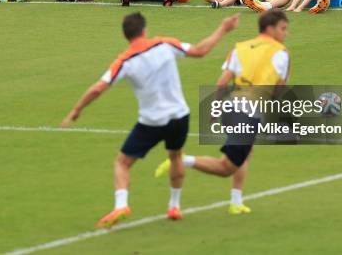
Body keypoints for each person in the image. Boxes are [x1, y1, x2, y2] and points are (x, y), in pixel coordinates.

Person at [61, 12, 241, 228]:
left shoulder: (124, 60)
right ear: (144, 30)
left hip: (152, 122)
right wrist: (223, 28)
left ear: (125, 35)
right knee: (175, 156)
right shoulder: (164, 44)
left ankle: (121, 205)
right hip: (179, 116)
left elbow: (98, 88)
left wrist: (76, 110)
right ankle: (174, 206)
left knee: (122, 162)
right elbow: (200, 50)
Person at [155, 9, 290, 215]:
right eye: (283, 28)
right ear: (270, 28)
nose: (285, 33)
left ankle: (236, 201)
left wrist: (217, 109)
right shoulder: (281, 53)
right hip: (248, 114)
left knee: (247, 152)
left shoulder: (240, 48)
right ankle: (182, 160)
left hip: (231, 108)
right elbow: (279, 89)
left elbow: (221, 82)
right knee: (226, 168)